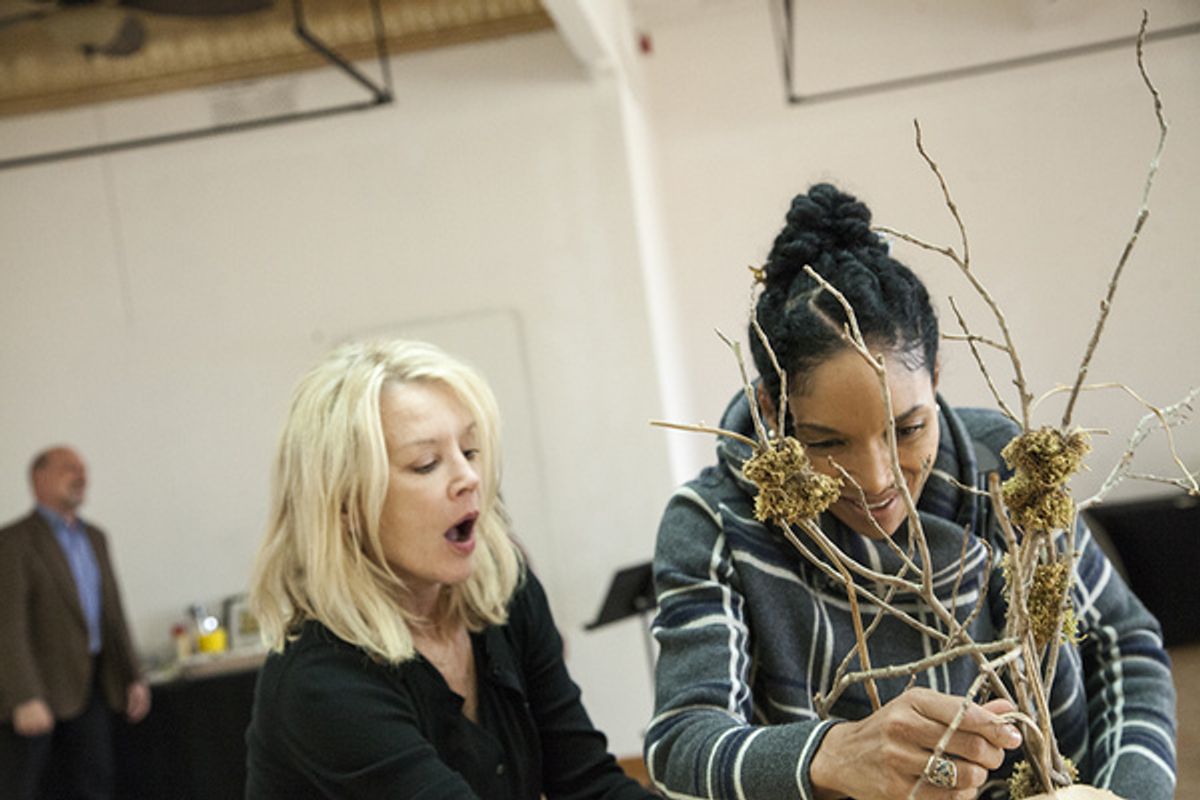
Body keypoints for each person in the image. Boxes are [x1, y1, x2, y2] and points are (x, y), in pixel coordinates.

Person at [644, 184, 1177, 800]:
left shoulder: (1005, 472)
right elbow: (682, 743)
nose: (877, 480)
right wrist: (832, 752)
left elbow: (1124, 646)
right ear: (771, 408)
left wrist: (1126, 792)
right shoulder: (716, 521)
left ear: (936, 377)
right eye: (827, 442)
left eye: (907, 429)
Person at [245, 338, 657, 799]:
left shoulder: (507, 591)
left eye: (470, 450)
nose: (469, 478)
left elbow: (588, 784)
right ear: (346, 505)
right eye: (426, 464)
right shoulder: (320, 684)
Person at [0, 446, 151, 800]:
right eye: (69, 468)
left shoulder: (95, 537)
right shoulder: (14, 542)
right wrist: (25, 696)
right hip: (38, 692)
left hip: (92, 687)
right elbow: (8, 626)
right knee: (25, 787)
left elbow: (113, 614)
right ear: (39, 478)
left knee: (94, 784)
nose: (81, 475)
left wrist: (133, 675)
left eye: (83, 469)